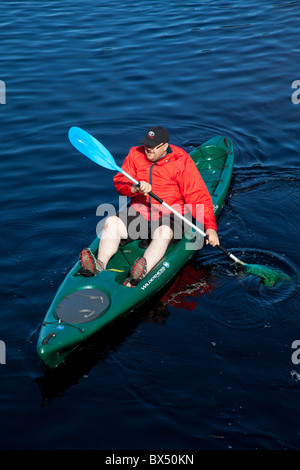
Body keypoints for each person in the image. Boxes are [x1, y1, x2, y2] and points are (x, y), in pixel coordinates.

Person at [80, 126, 219, 286]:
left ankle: (140, 271)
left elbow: (197, 195)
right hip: (141, 212)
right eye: (147, 144)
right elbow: (120, 182)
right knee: (111, 222)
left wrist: (210, 227)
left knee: (163, 232)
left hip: (173, 215)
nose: (148, 149)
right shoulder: (135, 154)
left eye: (154, 146)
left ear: (165, 146)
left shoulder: (181, 161)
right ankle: (99, 265)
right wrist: (134, 188)